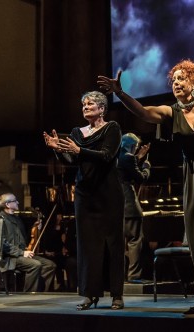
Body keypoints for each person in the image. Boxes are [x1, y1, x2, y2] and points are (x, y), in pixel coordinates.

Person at [97, 59, 194, 318]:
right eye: (174, 80)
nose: (176, 83)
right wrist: (120, 93)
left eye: (181, 79)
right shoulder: (171, 112)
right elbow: (144, 112)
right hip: (192, 176)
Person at [43, 91, 125, 310]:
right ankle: (89, 294)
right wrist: (57, 150)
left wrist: (80, 150)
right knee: (87, 245)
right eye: (83, 104)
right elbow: (72, 159)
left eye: (90, 104)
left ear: (101, 108)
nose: (85, 107)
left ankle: (117, 294)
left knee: (112, 244)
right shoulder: (76, 132)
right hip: (84, 193)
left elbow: (107, 155)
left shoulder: (112, 128)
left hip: (108, 193)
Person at [0, 193, 56, 292]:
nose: (18, 202)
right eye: (15, 201)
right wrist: (22, 253)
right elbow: (1, 243)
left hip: (21, 254)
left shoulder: (17, 219)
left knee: (50, 265)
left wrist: (35, 228)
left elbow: (24, 239)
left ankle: (40, 291)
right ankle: (28, 294)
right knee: (35, 264)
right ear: (8, 204)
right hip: (9, 257)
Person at [117, 132, 151, 283]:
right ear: (131, 146)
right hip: (129, 205)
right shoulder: (128, 157)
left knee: (117, 242)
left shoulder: (114, 156)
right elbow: (140, 178)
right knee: (135, 240)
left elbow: (126, 169)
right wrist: (146, 167)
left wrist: (138, 157)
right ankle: (134, 276)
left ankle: (118, 276)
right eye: (135, 147)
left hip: (115, 206)